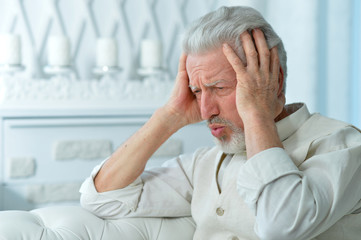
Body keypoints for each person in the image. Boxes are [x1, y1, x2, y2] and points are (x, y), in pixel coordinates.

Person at [80, 6, 361, 240]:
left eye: (219, 87)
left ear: (273, 80)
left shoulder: (342, 145)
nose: (205, 111)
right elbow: (102, 197)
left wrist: (257, 116)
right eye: (197, 91)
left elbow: (281, 226)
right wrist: (170, 116)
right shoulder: (205, 163)